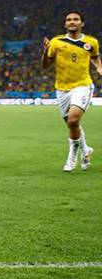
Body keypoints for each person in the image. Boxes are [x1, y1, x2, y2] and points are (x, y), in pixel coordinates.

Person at [42, 12, 102, 172]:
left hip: (82, 85)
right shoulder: (56, 42)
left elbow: (95, 57)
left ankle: (72, 157)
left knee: (73, 121)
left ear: (82, 23)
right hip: (62, 88)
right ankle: (86, 150)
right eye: (69, 20)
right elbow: (45, 65)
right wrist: (45, 51)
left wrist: (99, 67)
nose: (72, 22)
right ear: (65, 24)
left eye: (75, 19)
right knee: (72, 125)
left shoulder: (91, 42)